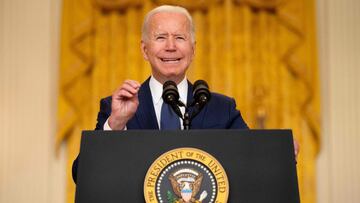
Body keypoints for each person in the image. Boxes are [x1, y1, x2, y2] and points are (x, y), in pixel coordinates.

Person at [73, 5, 298, 183]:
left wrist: (279, 151)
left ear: (193, 49)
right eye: (161, 37)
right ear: (144, 50)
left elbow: (252, 161)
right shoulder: (116, 107)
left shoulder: (222, 108)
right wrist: (116, 124)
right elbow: (82, 174)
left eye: (180, 38)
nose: (171, 46)